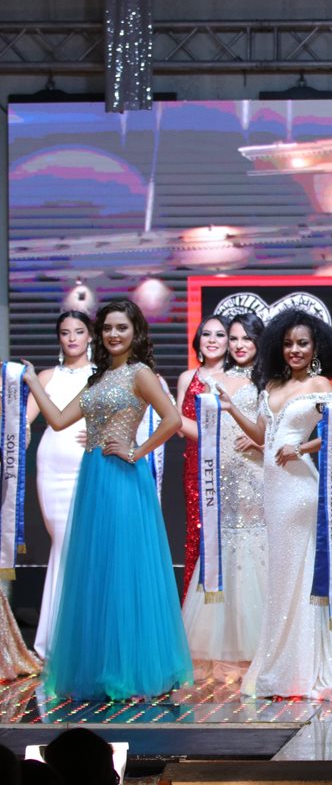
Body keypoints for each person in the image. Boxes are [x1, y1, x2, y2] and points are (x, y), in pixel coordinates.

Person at [24, 299, 191, 700]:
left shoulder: (141, 373)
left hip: (122, 476)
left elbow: (172, 420)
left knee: (122, 568)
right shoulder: (97, 379)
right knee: (94, 569)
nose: (113, 335)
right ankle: (99, 667)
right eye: (108, 329)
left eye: (122, 328)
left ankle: (130, 670)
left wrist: (137, 451)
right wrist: (32, 382)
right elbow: (60, 420)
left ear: (136, 332)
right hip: (93, 475)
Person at [221, 308, 332, 701]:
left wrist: (303, 446)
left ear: (315, 348)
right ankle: (282, 662)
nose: (294, 349)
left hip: (300, 491)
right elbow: (265, 436)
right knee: (282, 577)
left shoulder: (319, 384)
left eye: (302, 343)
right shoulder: (272, 385)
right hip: (273, 491)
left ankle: (301, 666)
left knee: (300, 575)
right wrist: (234, 413)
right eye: (288, 343)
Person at [180, 312, 268, 682]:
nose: (238, 345)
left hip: (258, 471)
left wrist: (264, 441)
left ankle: (262, 645)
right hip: (226, 474)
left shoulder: (269, 380)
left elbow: (280, 427)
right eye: (233, 339)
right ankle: (225, 644)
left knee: (257, 547)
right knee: (226, 546)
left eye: (246, 338)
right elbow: (204, 429)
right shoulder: (220, 379)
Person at [26, 310, 94, 659]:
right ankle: (58, 637)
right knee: (63, 544)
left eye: (78, 331)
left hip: (88, 464)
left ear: (89, 336)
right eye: (65, 332)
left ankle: (75, 635)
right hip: (52, 466)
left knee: (81, 545)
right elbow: (26, 421)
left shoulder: (102, 375)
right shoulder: (46, 375)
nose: (71, 338)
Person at [177, 314, 231, 598]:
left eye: (220, 335)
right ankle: (195, 609)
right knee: (197, 535)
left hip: (230, 465)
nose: (212, 340)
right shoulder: (188, 377)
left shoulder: (236, 379)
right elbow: (176, 425)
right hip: (195, 468)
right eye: (207, 334)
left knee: (228, 535)